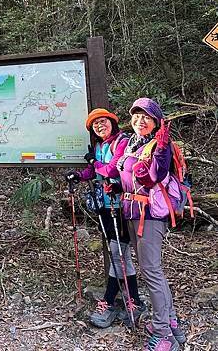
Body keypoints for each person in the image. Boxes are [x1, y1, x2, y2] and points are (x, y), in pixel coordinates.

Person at [67, 108, 145, 328]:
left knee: (119, 252)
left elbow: (111, 170)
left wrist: (93, 162)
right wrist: (79, 175)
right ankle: (133, 300)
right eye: (95, 124)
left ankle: (111, 300)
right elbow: (96, 174)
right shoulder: (100, 146)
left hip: (121, 204)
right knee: (119, 253)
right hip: (105, 204)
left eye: (103, 122)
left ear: (112, 122)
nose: (100, 126)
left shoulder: (121, 142)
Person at [117, 98, 186, 351]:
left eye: (146, 116)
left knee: (151, 272)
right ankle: (170, 320)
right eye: (136, 115)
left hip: (150, 216)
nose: (140, 120)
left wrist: (161, 147)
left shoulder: (160, 145)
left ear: (156, 122)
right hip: (133, 212)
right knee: (152, 271)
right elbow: (125, 175)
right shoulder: (133, 144)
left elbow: (154, 176)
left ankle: (164, 335)